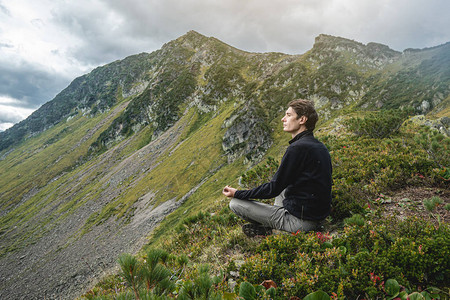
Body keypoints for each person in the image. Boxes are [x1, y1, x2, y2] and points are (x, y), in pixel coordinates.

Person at [222, 99, 332, 237]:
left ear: (302, 119)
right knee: (285, 187)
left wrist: (237, 193)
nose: (283, 119)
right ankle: (273, 227)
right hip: (317, 215)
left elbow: (272, 189)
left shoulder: (296, 148)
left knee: (235, 204)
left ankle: (274, 231)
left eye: (288, 115)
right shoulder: (318, 145)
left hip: (301, 222)